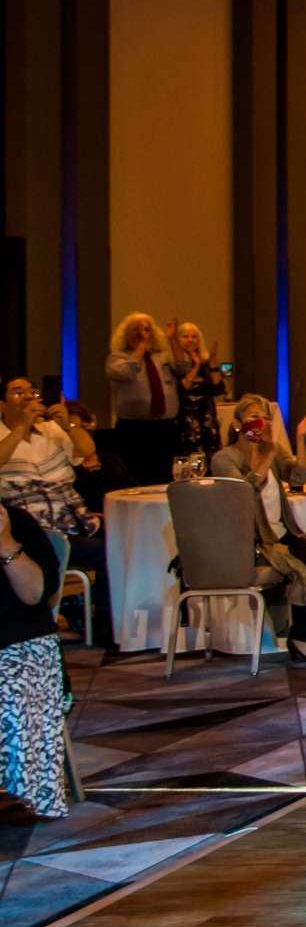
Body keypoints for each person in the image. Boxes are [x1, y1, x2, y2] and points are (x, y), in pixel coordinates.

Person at [210, 394, 306, 662]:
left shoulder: (274, 449)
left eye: (266, 417)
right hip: (254, 540)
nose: (261, 423)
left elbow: (299, 476)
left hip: (283, 532)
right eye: (254, 417)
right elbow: (243, 492)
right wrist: (263, 454)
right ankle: (301, 638)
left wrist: (300, 439)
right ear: (237, 424)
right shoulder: (225, 458)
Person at [0, 378, 111, 646]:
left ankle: (133, 619)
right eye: (18, 393)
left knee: (130, 536)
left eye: (31, 391)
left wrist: (68, 425)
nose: (28, 397)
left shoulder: (51, 430)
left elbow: (87, 451)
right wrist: (21, 427)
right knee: (106, 551)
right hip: (35, 526)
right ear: (2, 404)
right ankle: (103, 623)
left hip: (76, 517)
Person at [0, 500, 70, 819]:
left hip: (20, 648)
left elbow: (36, 594)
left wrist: (5, 544)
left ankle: (15, 791)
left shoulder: (17, 523)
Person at [105, 310, 180, 484]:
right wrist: (142, 345)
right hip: (135, 430)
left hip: (165, 428)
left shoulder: (161, 357)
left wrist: (173, 339)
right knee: (137, 477)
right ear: (125, 335)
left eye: (146, 329)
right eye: (136, 330)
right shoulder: (117, 358)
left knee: (165, 478)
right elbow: (128, 372)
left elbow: (183, 367)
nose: (142, 333)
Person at [167, 320, 225, 457]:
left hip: (207, 420)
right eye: (185, 336)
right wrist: (196, 366)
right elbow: (182, 389)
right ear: (178, 340)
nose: (190, 340)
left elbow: (218, 389)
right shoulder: (174, 365)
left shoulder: (205, 362)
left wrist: (212, 362)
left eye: (194, 336)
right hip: (185, 422)